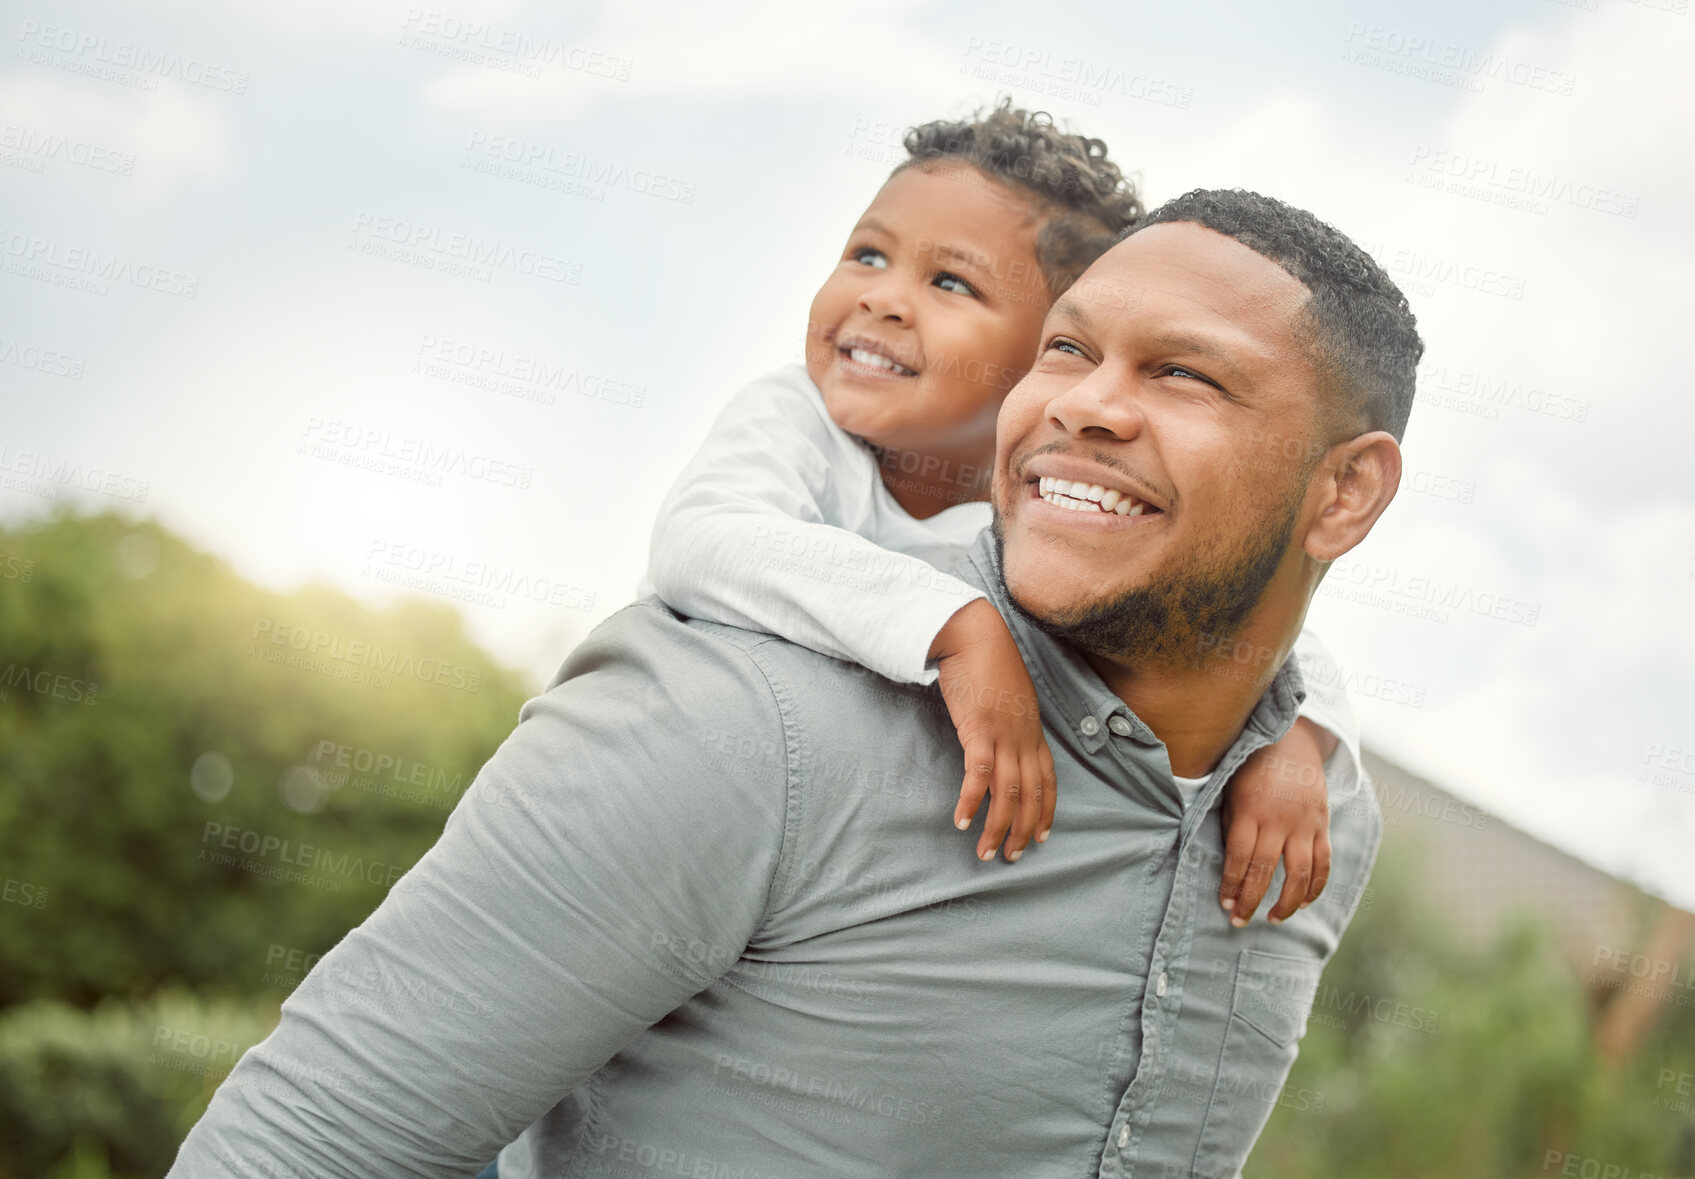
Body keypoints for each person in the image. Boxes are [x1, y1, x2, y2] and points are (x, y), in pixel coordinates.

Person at [165, 185, 1418, 1179]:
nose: (1086, 408)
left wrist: (1310, 737)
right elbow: (306, 1153)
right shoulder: (733, 712)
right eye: (1066, 351)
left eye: (1181, 375)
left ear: (1347, 492)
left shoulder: (1320, 811)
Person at [646, 101, 1358, 922]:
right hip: (686, 791)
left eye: (949, 282)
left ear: (1051, 354)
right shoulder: (792, 416)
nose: (882, 298)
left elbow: (1266, 624)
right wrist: (955, 625)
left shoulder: (1059, 498)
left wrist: (1296, 741)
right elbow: (701, 536)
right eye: (867, 254)